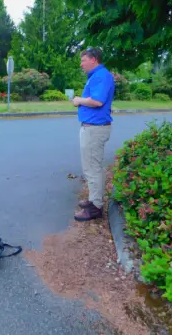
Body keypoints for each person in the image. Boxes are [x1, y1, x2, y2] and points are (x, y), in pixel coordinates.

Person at [72, 48, 115, 222]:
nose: (81, 64)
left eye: (84, 60)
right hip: (92, 128)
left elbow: (97, 101)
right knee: (92, 168)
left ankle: (96, 207)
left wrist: (78, 100)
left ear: (94, 59)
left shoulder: (101, 76)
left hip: (94, 129)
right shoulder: (97, 76)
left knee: (92, 169)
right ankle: (93, 200)